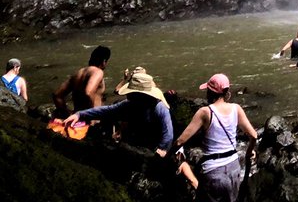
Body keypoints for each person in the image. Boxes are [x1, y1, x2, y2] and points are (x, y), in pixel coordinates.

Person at [172, 72, 257, 202]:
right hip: (234, 168)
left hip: (213, 172)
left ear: (210, 93)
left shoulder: (205, 112)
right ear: (226, 92)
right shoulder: (236, 108)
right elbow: (254, 135)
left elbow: (180, 141)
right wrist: (249, 152)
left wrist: (167, 156)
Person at [63, 67, 173, 155]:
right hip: (137, 142)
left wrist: (162, 149)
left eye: (131, 93)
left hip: (154, 146)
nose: (128, 95)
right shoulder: (129, 104)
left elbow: (168, 134)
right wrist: (79, 115)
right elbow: (105, 111)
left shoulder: (159, 108)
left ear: (141, 95)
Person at [53, 45, 111, 114]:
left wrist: (67, 114)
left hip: (78, 117)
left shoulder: (78, 73)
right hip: (92, 119)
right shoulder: (98, 72)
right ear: (104, 61)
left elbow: (57, 95)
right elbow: (88, 93)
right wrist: (92, 117)